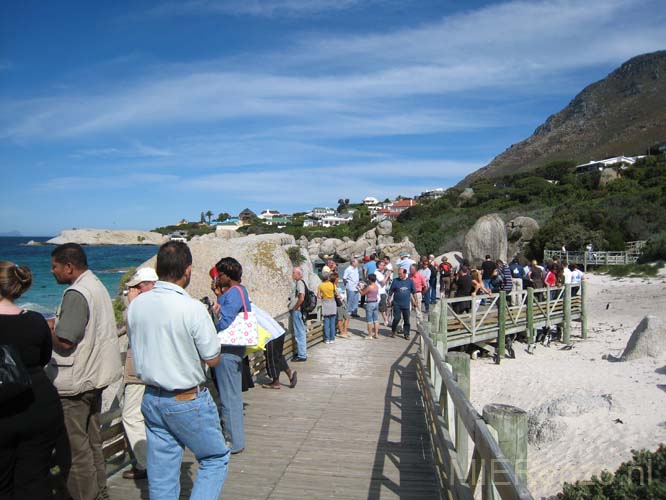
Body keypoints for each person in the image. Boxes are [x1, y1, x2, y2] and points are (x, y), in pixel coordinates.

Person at [128, 241, 228, 499]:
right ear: (188, 270)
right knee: (214, 458)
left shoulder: (136, 306)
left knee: (162, 474)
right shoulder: (192, 308)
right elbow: (213, 358)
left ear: (157, 268)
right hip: (186, 398)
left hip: (150, 396)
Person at [49, 243, 122, 500]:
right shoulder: (96, 285)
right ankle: (100, 493)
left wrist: (46, 330)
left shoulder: (77, 292)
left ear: (69, 267)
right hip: (95, 378)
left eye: (55, 266)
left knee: (75, 450)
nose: (52, 272)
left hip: (76, 383)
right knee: (92, 444)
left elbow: (67, 340)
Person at [0, 262, 69, 499]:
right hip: (38, 403)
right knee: (35, 481)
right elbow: (43, 358)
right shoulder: (36, 320)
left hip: (5, 412)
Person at [121, 267, 158, 481]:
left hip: (140, 369)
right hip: (156, 368)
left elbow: (134, 331)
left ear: (149, 285)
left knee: (131, 414)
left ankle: (146, 464)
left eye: (137, 286)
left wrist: (132, 304)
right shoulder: (162, 302)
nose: (134, 290)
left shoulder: (143, 306)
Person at [213, 257, 250, 455]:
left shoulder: (234, 293)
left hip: (228, 350)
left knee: (229, 397)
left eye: (221, 274)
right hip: (234, 349)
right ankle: (235, 439)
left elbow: (222, 323)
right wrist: (219, 295)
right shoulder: (240, 291)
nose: (218, 278)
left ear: (229, 275)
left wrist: (212, 311)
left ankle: (233, 442)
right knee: (232, 395)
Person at [255, 303, 297, 390]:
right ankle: (290, 373)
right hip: (278, 331)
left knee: (271, 358)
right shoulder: (255, 308)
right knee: (278, 356)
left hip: (270, 335)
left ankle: (275, 382)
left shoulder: (246, 311)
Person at [388, 267, 417, 340]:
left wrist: (415, 301)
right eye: (398, 274)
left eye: (400, 274)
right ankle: (393, 331)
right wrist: (389, 299)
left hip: (406, 304)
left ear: (405, 273)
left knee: (406, 320)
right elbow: (391, 291)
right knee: (397, 318)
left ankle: (406, 334)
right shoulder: (395, 281)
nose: (399, 275)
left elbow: (414, 292)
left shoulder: (410, 281)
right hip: (396, 303)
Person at [289, 267, 307, 362]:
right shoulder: (300, 282)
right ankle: (301, 352)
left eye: (293, 273)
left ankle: (302, 355)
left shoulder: (299, 283)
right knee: (300, 331)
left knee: (299, 332)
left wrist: (295, 308)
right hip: (299, 311)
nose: (292, 274)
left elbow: (302, 297)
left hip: (298, 311)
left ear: (299, 274)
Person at [318, 272, 337, 344]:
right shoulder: (332, 285)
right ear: (328, 277)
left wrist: (323, 296)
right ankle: (332, 338)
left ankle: (327, 339)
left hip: (325, 303)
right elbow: (337, 294)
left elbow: (319, 296)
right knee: (332, 322)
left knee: (326, 322)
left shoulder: (320, 286)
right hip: (332, 303)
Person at [359, 274, 380, 339]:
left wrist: (359, 288)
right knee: (376, 320)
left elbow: (362, 293)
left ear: (370, 279)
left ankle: (370, 335)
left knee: (369, 320)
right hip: (376, 303)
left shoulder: (369, 287)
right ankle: (376, 334)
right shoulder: (376, 286)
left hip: (370, 303)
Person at [332, 273, 350, 338]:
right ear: (335, 279)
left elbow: (339, 293)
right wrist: (339, 295)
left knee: (347, 317)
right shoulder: (332, 285)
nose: (339, 279)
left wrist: (341, 295)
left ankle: (344, 331)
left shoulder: (337, 285)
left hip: (342, 303)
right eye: (337, 278)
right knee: (340, 319)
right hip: (338, 303)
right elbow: (336, 295)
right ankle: (341, 332)